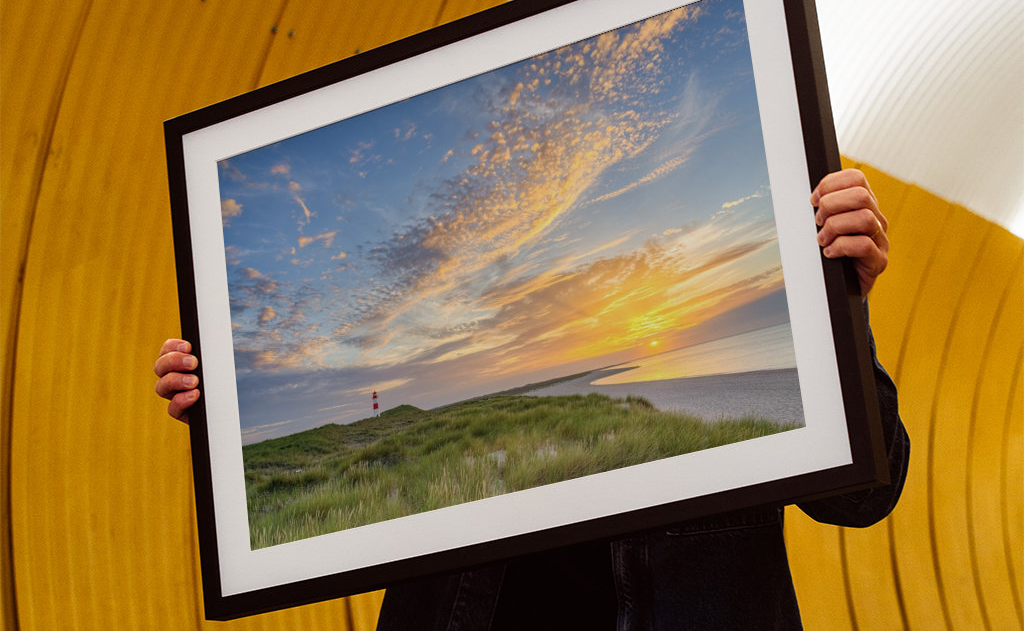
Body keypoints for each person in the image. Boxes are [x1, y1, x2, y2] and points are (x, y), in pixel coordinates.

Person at [155, 168, 909, 630]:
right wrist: (230, 411)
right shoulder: (433, 439)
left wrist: (841, 304)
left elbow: (865, 496)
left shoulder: (800, 280)